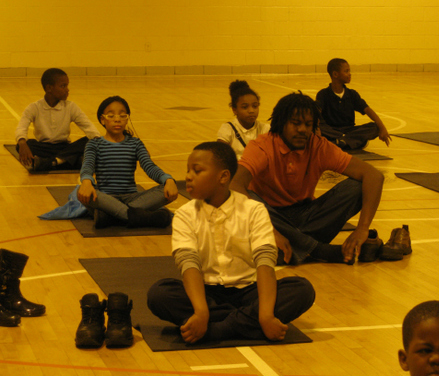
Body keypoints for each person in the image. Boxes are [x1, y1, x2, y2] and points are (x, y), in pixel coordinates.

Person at [147, 142, 315, 343]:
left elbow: (265, 263)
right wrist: (201, 312)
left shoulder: (253, 210)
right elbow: (188, 264)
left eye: (197, 170)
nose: (188, 176)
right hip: (205, 292)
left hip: (251, 290)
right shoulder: (185, 214)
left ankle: (217, 329)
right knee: (159, 294)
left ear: (223, 177)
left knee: (302, 289)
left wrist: (266, 314)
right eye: (188, 170)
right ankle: (245, 322)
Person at [231, 92, 385, 265]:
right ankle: (318, 250)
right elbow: (234, 183)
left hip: (307, 216)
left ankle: (290, 247)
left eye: (308, 124)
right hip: (269, 217)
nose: (302, 130)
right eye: (295, 124)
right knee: (247, 198)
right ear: (281, 123)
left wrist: (362, 228)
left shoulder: (318, 145)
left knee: (356, 187)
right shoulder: (263, 146)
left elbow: (374, 176)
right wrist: (271, 231)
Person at [77, 96, 178, 229]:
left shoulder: (135, 144)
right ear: (102, 120)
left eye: (122, 115)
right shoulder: (94, 144)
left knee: (164, 190)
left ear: (127, 119)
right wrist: (86, 181)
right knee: (82, 192)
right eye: (111, 115)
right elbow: (87, 167)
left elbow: (149, 167)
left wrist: (168, 180)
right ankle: (144, 217)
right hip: (105, 199)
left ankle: (111, 217)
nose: (117, 119)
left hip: (134, 199)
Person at [15, 68, 101, 172]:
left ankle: (50, 162)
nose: (67, 89)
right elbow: (21, 127)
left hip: (64, 147)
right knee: (21, 146)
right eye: (63, 86)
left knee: (89, 142)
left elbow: (88, 126)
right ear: (49, 88)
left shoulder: (71, 107)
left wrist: (99, 141)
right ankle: (66, 160)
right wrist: (22, 142)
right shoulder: (34, 107)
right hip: (43, 148)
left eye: (67, 85)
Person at [315, 58, 391, 150]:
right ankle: (348, 141)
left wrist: (382, 128)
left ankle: (339, 142)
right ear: (335, 74)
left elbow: (368, 110)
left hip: (349, 130)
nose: (349, 74)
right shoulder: (323, 94)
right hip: (331, 130)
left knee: (375, 127)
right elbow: (316, 113)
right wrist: (317, 128)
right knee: (318, 127)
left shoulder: (352, 94)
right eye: (346, 71)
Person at [217, 80, 270, 159]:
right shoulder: (227, 129)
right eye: (245, 107)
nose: (251, 111)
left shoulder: (266, 129)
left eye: (255, 106)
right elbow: (221, 157)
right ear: (234, 109)